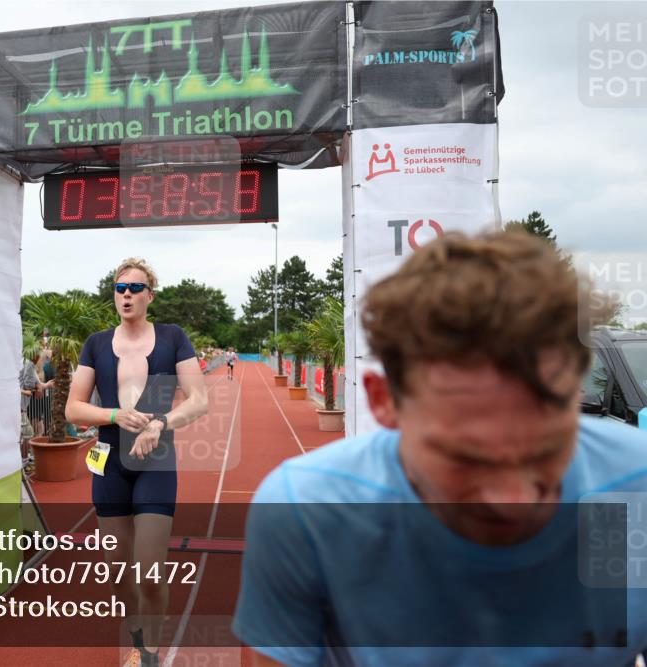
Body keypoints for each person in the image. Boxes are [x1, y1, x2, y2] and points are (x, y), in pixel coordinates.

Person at [233, 231, 647, 666]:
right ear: (383, 400)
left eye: (547, 450)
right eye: (466, 458)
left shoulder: (632, 486)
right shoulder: (309, 511)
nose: (513, 500)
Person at [66, 258, 208, 667]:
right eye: (119, 287)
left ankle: (149, 653)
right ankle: (139, 635)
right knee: (118, 574)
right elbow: (74, 409)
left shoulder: (172, 337)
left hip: (156, 462)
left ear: (150, 295)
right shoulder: (95, 343)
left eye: (134, 287)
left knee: (149, 571)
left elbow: (198, 400)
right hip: (109, 463)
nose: (125, 294)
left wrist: (160, 423)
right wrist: (114, 415)